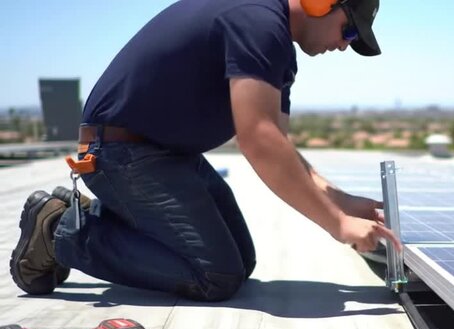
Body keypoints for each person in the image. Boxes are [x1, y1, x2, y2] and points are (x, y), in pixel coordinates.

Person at [10, 0, 400, 302]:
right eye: (349, 30)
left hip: (163, 154)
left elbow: (280, 146)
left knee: (240, 262)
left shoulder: (274, 42)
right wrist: (338, 226)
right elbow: (258, 140)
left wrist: (345, 204)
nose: (345, 45)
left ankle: (78, 215)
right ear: (321, 2)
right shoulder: (260, 23)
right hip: (120, 151)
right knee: (217, 275)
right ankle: (62, 232)